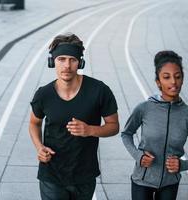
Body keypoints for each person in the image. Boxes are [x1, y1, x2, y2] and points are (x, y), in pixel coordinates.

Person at [29, 33, 119, 200]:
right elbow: (34, 123)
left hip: (84, 175)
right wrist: (39, 147)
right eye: (61, 59)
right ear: (52, 62)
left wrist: (90, 130)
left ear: (80, 62)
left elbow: (114, 125)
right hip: (51, 174)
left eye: (72, 60)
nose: (67, 66)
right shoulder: (44, 94)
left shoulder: (99, 91)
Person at [121, 50, 188, 200]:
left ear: (182, 80)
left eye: (177, 77)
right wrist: (138, 156)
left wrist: (181, 165)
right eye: (166, 77)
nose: (173, 82)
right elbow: (126, 134)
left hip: (170, 184)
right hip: (142, 181)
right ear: (158, 82)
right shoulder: (144, 108)